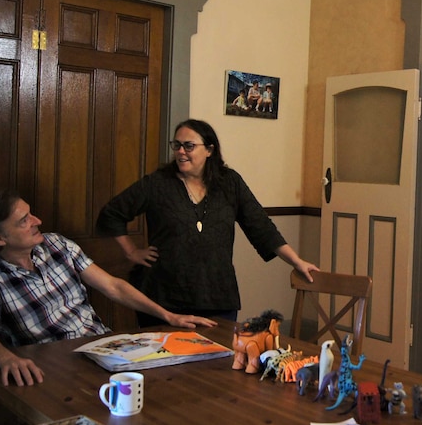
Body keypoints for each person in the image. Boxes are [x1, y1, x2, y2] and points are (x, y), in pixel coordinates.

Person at [0, 190, 216, 387]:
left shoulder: (56, 245)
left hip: (103, 348)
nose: (37, 221)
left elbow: (113, 286)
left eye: (31, 214)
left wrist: (169, 316)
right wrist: (8, 358)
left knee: (181, 372)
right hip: (53, 366)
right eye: (24, 220)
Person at [96, 119, 318, 327]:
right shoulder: (157, 184)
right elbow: (112, 213)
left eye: (189, 146)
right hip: (163, 298)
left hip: (217, 296)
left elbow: (261, 227)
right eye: (177, 145)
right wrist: (131, 252)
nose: (181, 152)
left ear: (209, 150)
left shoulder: (229, 183)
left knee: (216, 365)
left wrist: (296, 261)